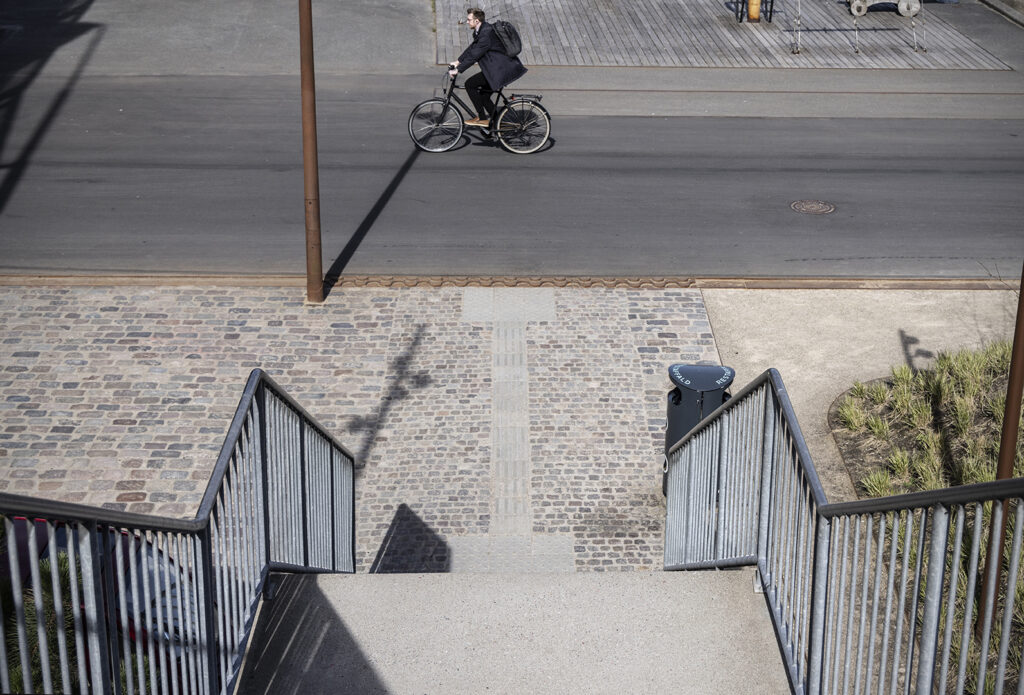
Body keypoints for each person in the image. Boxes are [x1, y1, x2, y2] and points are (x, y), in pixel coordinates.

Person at [448, 8, 527, 127]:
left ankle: (481, 117)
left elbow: (475, 55)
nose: (467, 22)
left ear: (477, 21)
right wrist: (458, 61)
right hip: (497, 70)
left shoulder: (486, 34)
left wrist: (458, 70)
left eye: (469, 20)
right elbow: (472, 48)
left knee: (470, 84)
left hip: (499, 71)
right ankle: (496, 125)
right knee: (484, 98)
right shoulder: (482, 30)